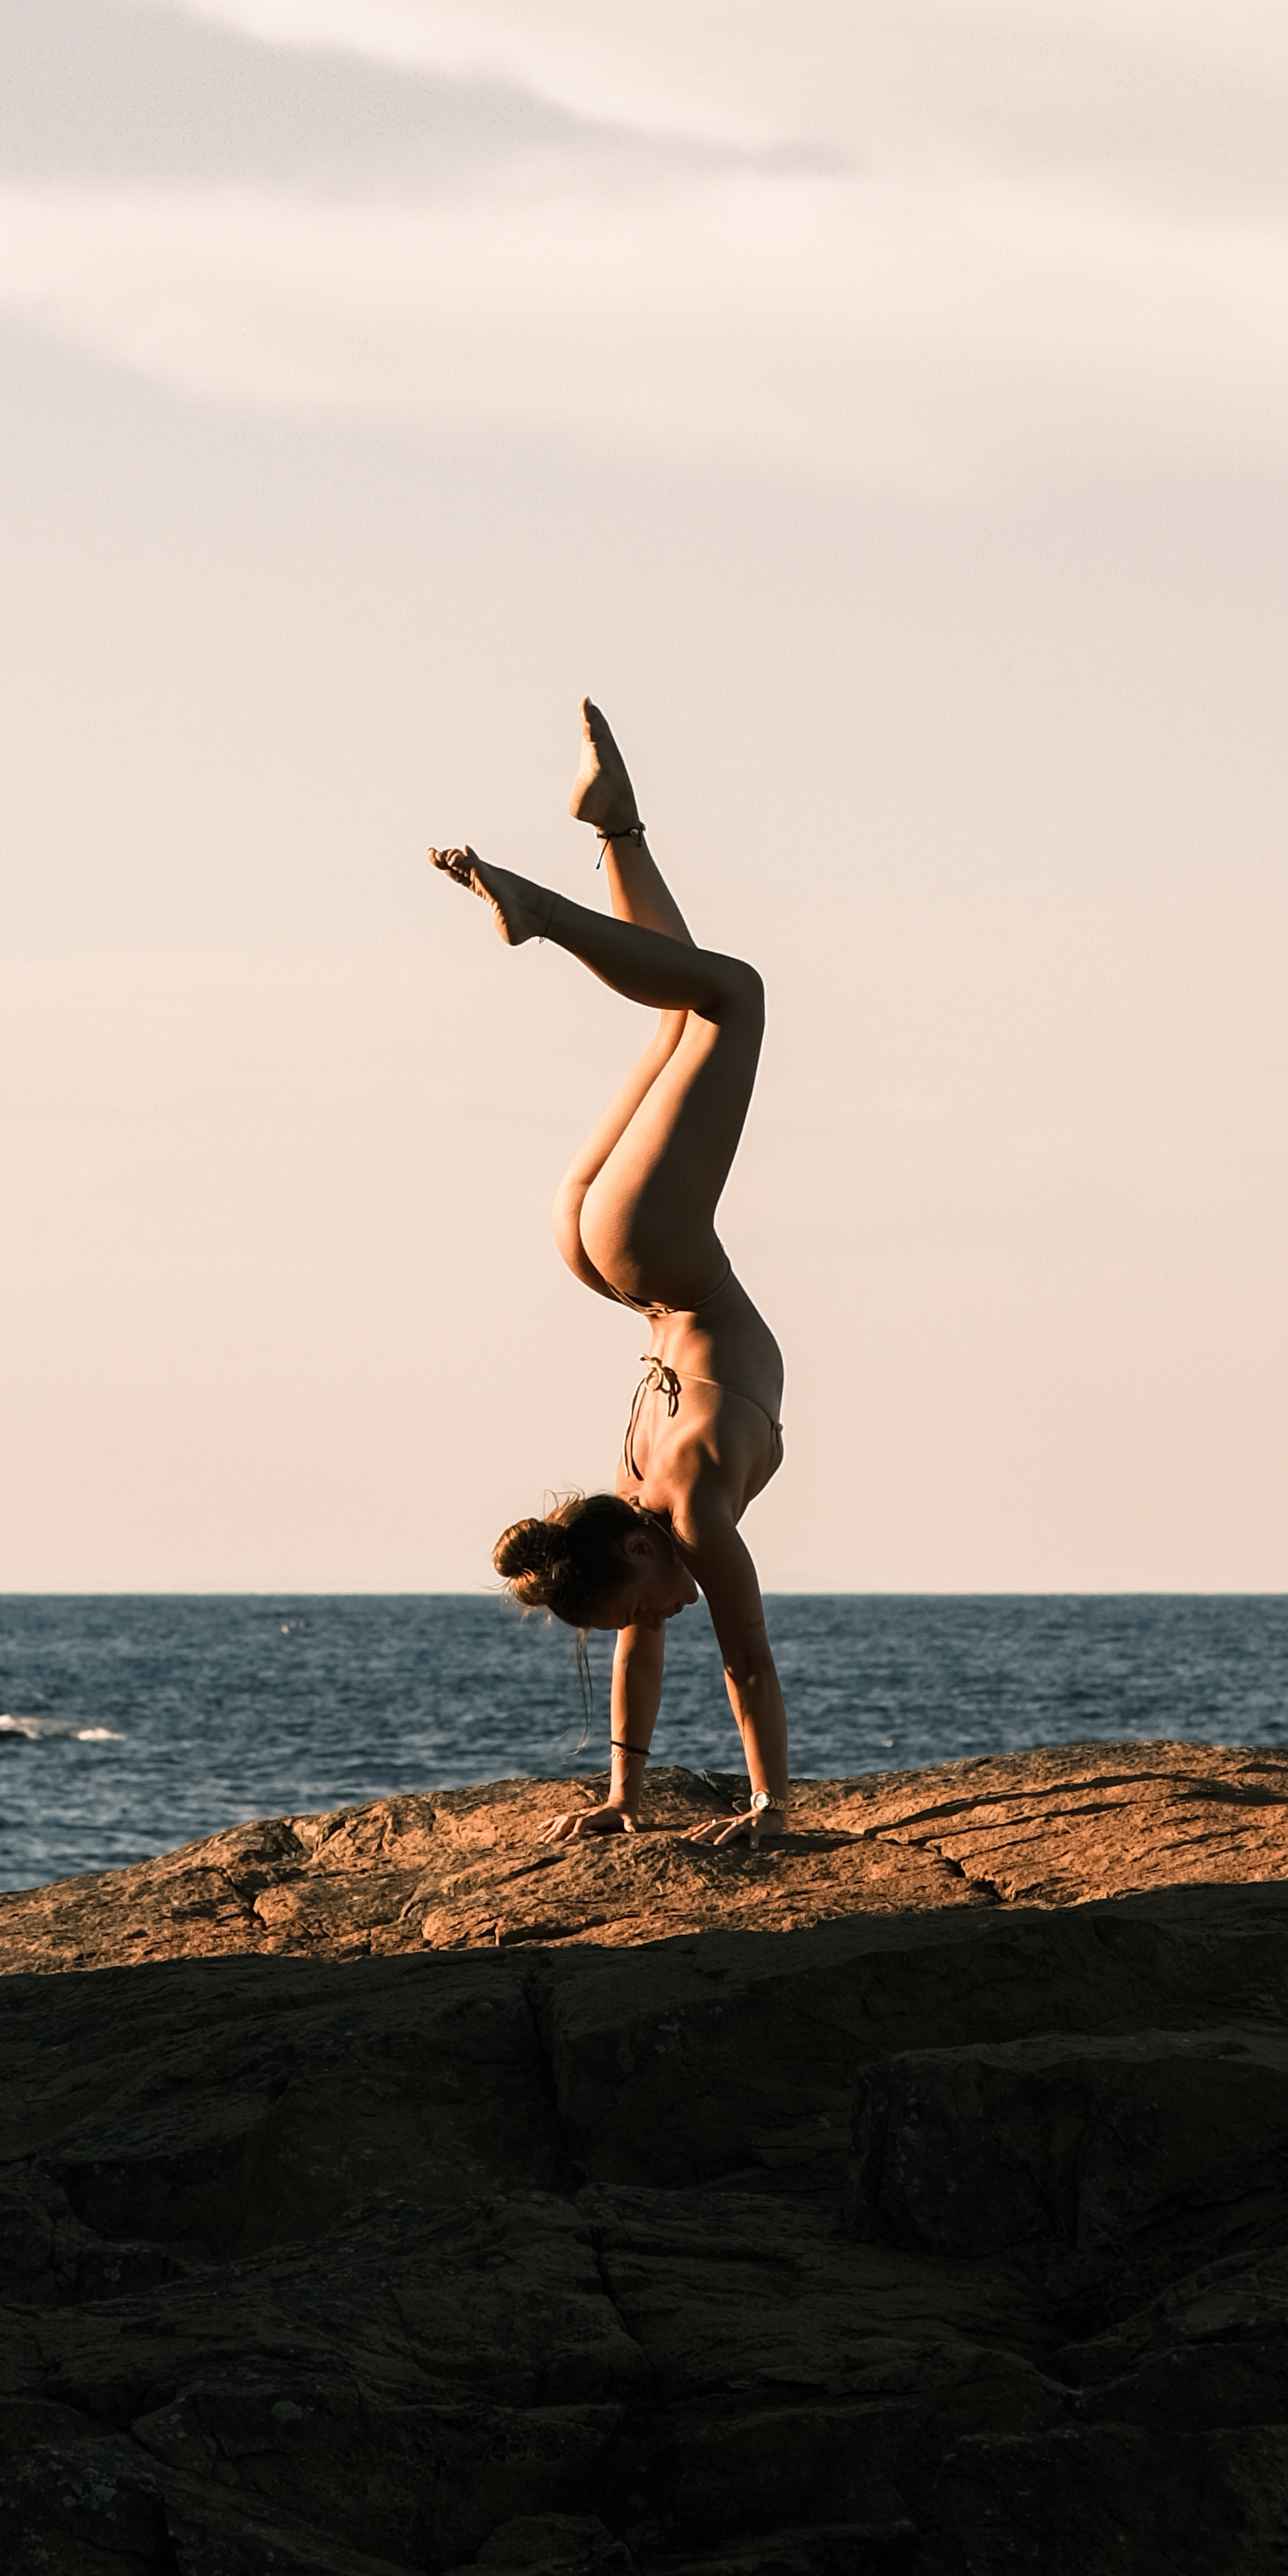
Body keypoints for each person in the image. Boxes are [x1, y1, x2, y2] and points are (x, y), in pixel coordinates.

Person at [434, 698, 789, 1852]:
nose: (656, 1620)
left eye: (642, 1603)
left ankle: (552, 904)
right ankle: (613, 832)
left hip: (648, 1251)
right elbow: (683, 1647)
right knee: (693, 1006)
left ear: (630, 1550)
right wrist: (629, 1795)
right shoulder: (647, 1494)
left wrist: (769, 1807)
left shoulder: (675, 1503)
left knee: (725, 996)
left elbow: (741, 1657)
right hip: (597, 1252)